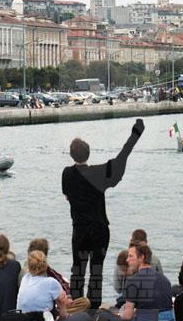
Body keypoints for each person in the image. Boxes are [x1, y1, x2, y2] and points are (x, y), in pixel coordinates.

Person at [62, 118, 145, 310]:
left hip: (80, 228)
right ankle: (94, 305)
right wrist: (135, 134)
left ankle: (76, 304)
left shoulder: (67, 174)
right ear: (88, 153)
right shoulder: (99, 173)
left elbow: (67, 196)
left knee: (78, 268)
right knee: (96, 268)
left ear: (72, 155)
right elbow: (122, 156)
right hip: (99, 228)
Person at [97, 243, 173, 321]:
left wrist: (120, 315)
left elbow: (127, 316)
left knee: (102, 316)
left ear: (141, 258)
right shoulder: (165, 279)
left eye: (130, 256)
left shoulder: (133, 281)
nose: (127, 260)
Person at [17, 251, 91, 321]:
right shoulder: (51, 282)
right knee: (84, 317)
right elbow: (64, 316)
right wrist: (63, 306)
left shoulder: (25, 279)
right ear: (45, 265)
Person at [22, 238, 90, 314]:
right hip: (47, 314)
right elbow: (60, 284)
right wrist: (67, 299)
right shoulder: (49, 277)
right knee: (85, 303)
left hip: (25, 312)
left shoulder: (24, 276)